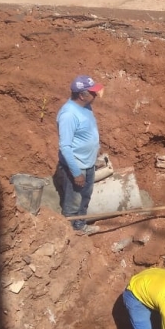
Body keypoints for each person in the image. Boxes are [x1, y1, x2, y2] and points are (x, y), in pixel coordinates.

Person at [55, 75, 104, 235]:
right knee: (73, 203)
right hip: (77, 167)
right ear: (82, 95)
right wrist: (76, 173)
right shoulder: (68, 115)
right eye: (92, 92)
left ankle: (80, 226)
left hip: (88, 164)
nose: (95, 95)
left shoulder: (86, 106)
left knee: (85, 198)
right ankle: (69, 234)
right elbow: (65, 147)